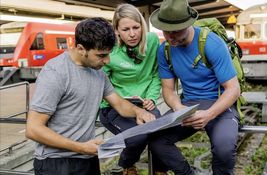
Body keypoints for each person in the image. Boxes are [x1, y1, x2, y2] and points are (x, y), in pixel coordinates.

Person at [25, 17, 155, 175]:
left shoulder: (98, 72)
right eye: (101, 55)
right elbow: (33, 129)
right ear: (81, 48)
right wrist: (80, 147)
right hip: (57, 163)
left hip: (88, 157)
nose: (107, 61)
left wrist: (139, 112)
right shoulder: (56, 72)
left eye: (108, 54)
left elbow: (119, 103)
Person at [149, 0, 241, 174]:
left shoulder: (211, 44)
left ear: (188, 24)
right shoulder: (165, 50)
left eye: (176, 31)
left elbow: (233, 89)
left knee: (224, 149)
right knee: (157, 140)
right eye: (166, 32)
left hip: (219, 103)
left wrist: (208, 115)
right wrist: (179, 109)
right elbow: (168, 90)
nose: (170, 37)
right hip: (188, 104)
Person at [98, 4, 165, 175]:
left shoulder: (151, 41)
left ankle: (159, 170)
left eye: (136, 27)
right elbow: (101, 84)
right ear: (117, 30)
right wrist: (125, 98)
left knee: (160, 135)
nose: (132, 34)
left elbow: (155, 74)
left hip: (145, 105)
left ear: (142, 26)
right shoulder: (110, 50)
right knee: (138, 137)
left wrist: (151, 98)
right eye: (126, 29)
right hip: (114, 107)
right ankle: (126, 165)